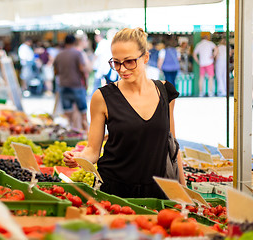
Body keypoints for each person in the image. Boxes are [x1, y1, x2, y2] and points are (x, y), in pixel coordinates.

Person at [62, 28, 185, 199]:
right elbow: (92, 150)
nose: (122, 69)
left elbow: (172, 143)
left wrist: (184, 190)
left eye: (129, 61)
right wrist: (78, 158)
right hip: (115, 191)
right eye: (116, 62)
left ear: (146, 58)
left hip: (158, 191)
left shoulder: (165, 92)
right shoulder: (102, 97)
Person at [53, 34, 88, 132]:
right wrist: (85, 83)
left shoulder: (59, 55)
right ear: (74, 42)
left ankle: (68, 133)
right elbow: (82, 69)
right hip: (76, 85)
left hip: (63, 86)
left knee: (67, 114)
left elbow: (56, 72)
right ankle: (86, 135)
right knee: (83, 113)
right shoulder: (77, 53)